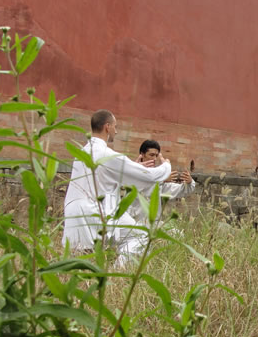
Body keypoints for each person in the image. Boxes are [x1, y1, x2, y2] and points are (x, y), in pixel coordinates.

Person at [63, 110, 172, 259]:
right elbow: (149, 176)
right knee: (141, 236)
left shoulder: (81, 153)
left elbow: (104, 178)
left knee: (80, 259)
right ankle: (120, 268)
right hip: (96, 211)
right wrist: (166, 166)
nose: (116, 131)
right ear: (107, 127)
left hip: (73, 212)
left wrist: (132, 168)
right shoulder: (107, 154)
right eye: (116, 126)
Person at [132, 139, 196, 225]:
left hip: (153, 224)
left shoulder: (159, 179)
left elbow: (180, 190)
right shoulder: (132, 172)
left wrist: (189, 182)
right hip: (135, 223)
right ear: (142, 155)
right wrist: (162, 179)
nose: (154, 159)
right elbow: (143, 186)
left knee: (176, 232)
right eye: (151, 155)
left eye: (156, 156)